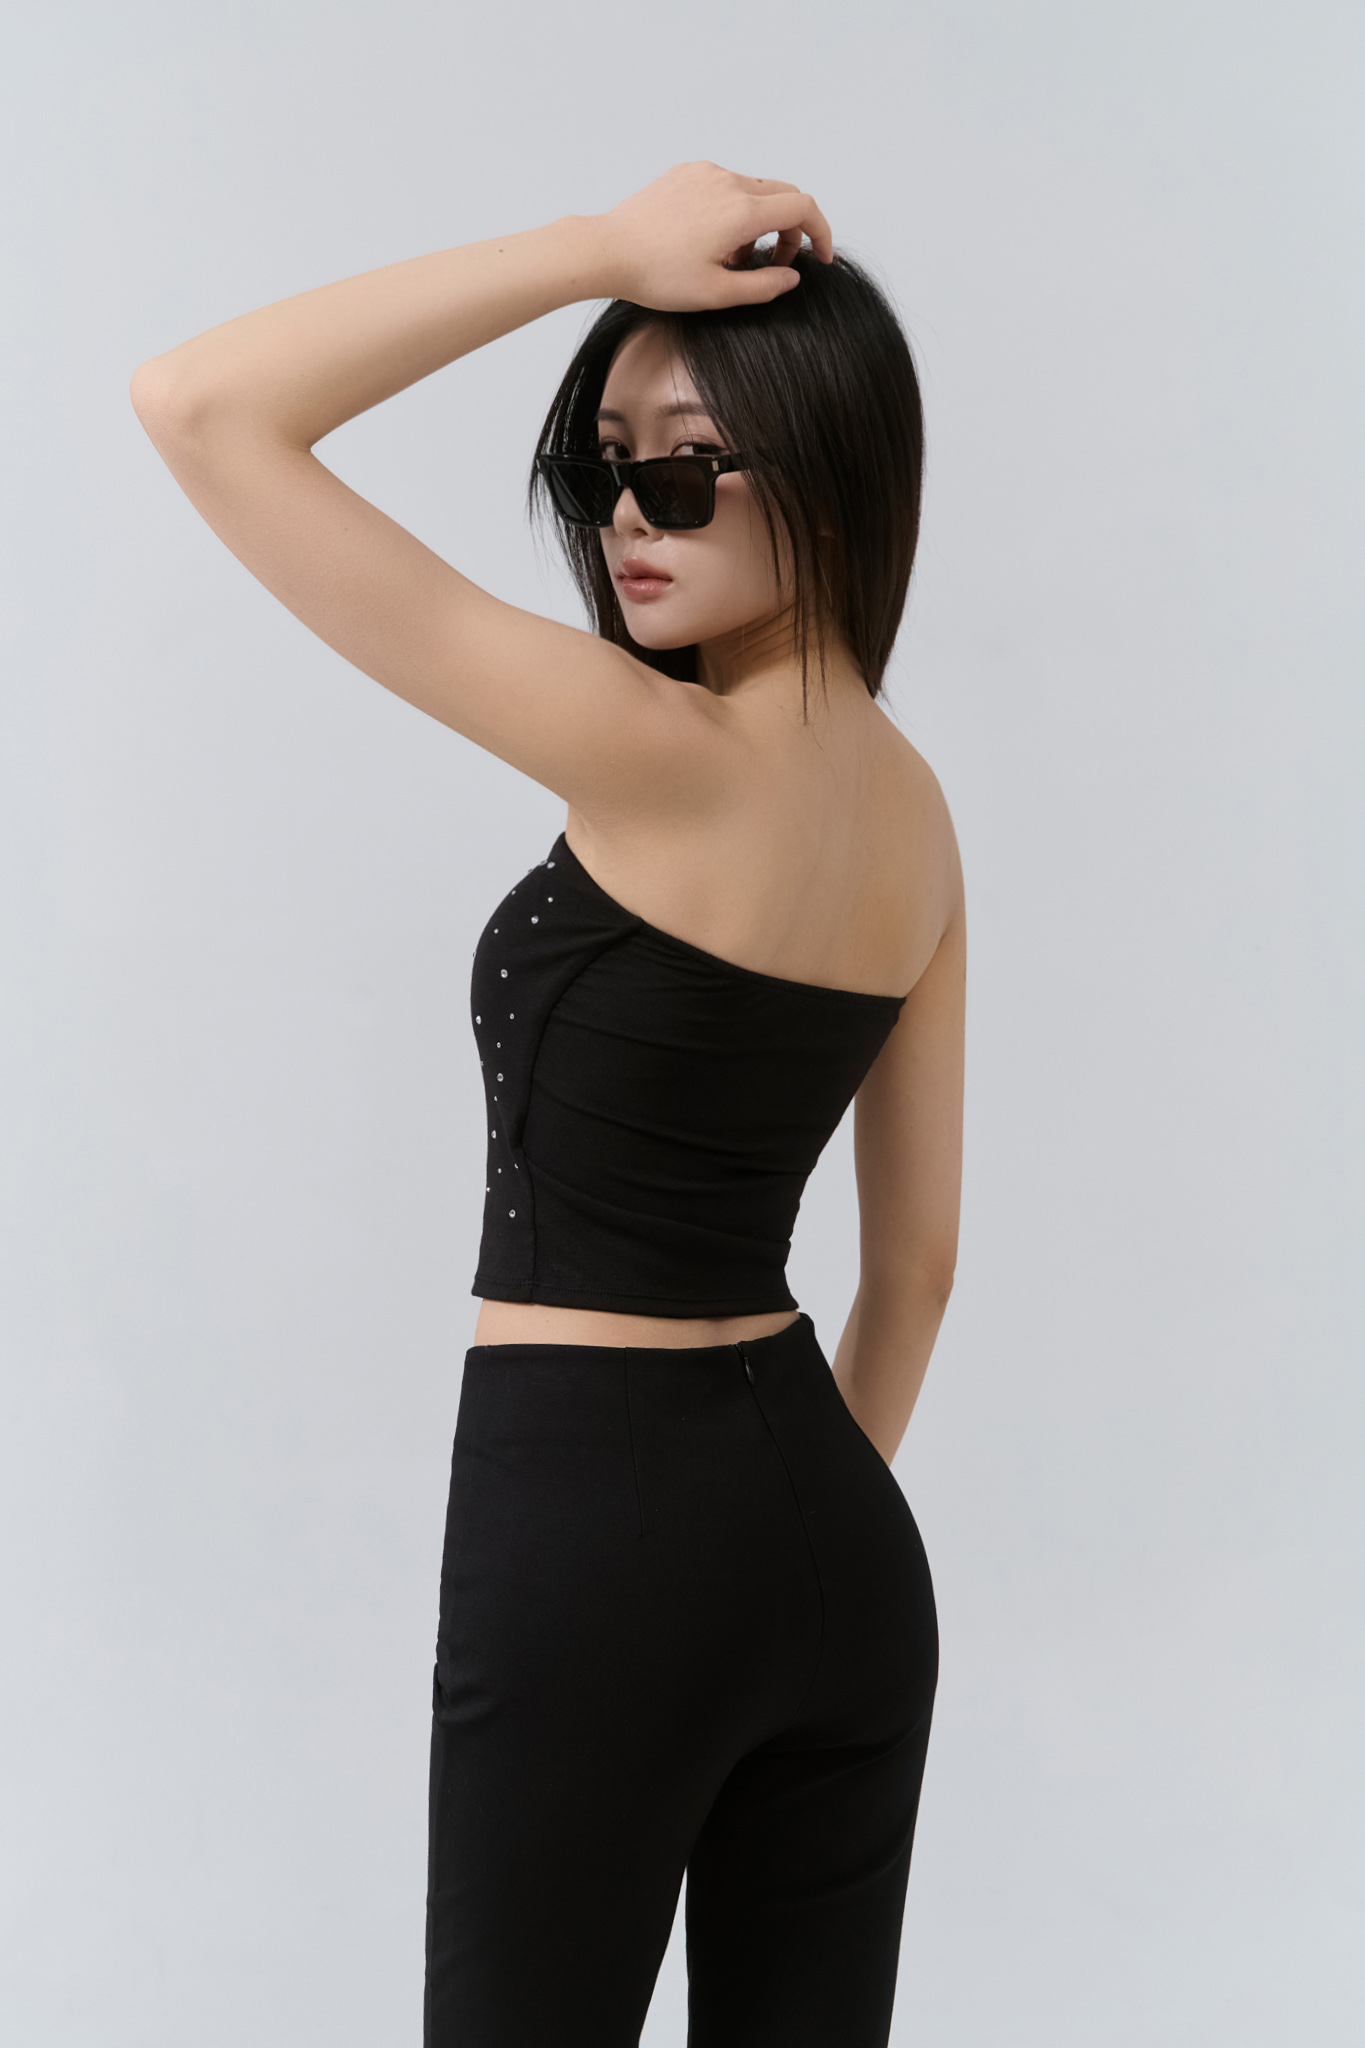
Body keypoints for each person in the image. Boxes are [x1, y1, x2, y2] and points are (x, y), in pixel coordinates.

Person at [131, 159, 966, 2048]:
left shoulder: (658, 753)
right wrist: (770, 1553)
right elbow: (915, 1273)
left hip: (593, 1508)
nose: (625, 524)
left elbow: (203, 405)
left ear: (835, 470)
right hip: (836, 1545)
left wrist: (599, 249)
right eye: (601, 473)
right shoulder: (919, 820)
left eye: (685, 471)